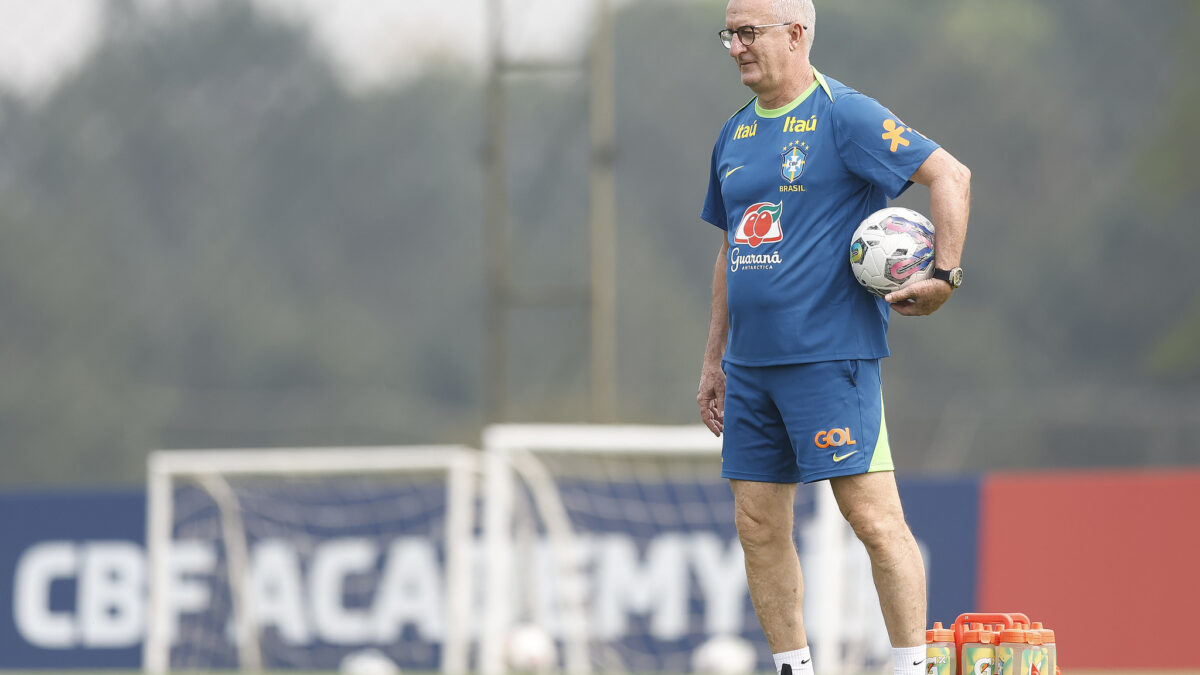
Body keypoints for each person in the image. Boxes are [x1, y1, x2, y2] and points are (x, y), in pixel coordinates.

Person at [695, 1, 971, 675]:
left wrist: (945, 276)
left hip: (831, 358)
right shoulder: (732, 135)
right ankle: (796, 666)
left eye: (748, 32)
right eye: (729, 33)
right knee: (758, 526)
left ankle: (913, 666)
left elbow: (950, 175)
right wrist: (713, 360)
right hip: (750, 368)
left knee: (873, 520)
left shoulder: (843, 114)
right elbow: (732, 250)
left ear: (795, 34)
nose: (735, 45)